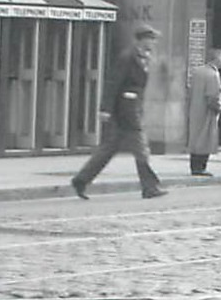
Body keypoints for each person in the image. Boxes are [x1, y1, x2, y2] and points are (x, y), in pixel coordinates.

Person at [71, 23, 166, 200]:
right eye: (151, 39)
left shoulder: (142, 57)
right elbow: (113, 83)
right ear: (142, 39)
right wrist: (105, 108)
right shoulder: (128, 57)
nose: (153, 43)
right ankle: (150, 187)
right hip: (126, 111)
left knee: (108, 149)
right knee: (141, 150)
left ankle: (81, 180)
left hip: (131, 109)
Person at [187, 48, 221, 175]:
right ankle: (200, 167)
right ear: (217, 59)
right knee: (206, 138)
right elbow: (213, 96)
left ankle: (194, 166)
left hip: (195, 109)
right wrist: (219, 108)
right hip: (206, 112)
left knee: (195, 137)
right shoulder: (213, 75)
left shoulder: (197, 72)